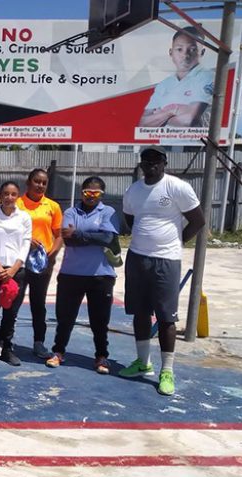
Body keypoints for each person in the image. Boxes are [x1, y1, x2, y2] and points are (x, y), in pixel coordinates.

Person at [119, 146, 205, 396]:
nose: (152, 165)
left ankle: (167, 371)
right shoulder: (133, 190)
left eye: (157, 160)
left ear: (165, 163)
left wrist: (177, 241)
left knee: (167, 317)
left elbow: (198, 221)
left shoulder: (177, 187)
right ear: (141, 164)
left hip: (166, 260)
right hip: (137, 258)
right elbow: (131, 219)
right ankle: (142, 362)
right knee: (140, 313)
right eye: (147, 161)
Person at [46, 177, 120, 374]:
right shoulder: (70, 212)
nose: (91, 196)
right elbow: (68, 241)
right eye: (87, 192)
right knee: (65, 318)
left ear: (102, 195)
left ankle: (102, 356)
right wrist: (92, 237)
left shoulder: (108, 212)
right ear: (81, 193)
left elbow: (108, 238)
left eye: (96, 193)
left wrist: (78, 234)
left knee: (100, 320)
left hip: (101, 275)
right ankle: (58, 352)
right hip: (71, 274)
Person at [0, 181, 32, 367]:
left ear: (18, 196)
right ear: (0, 196)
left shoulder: (24, 218)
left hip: (16, 272)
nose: (9, 198)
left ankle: (7, 349)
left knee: (11, 314)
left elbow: (26, 244)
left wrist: (14, 268)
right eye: (6, 194)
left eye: (13, 194)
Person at [16, 168, 63, 359]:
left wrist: (51, 256)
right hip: (19, 261)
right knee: (13, 300)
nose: (40, 185)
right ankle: (4, 340)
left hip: (43, 263)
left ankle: (39, 342)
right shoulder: (17, 203)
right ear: (28, 182)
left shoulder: (52, 206)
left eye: (44, 182)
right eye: (36, 181)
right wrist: (26, 241)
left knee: (38, 303)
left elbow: (59, 236)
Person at [139, 26, 213, 128]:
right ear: (171, 52)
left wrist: (161, 114)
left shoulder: (207, 77)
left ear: (202, 52)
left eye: (192, 49)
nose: (185, 55)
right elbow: (144, 123)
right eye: (179, 49)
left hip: (198, 142)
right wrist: (171, 112)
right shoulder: (164, 84)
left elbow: (189, 120)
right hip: (164, 143)